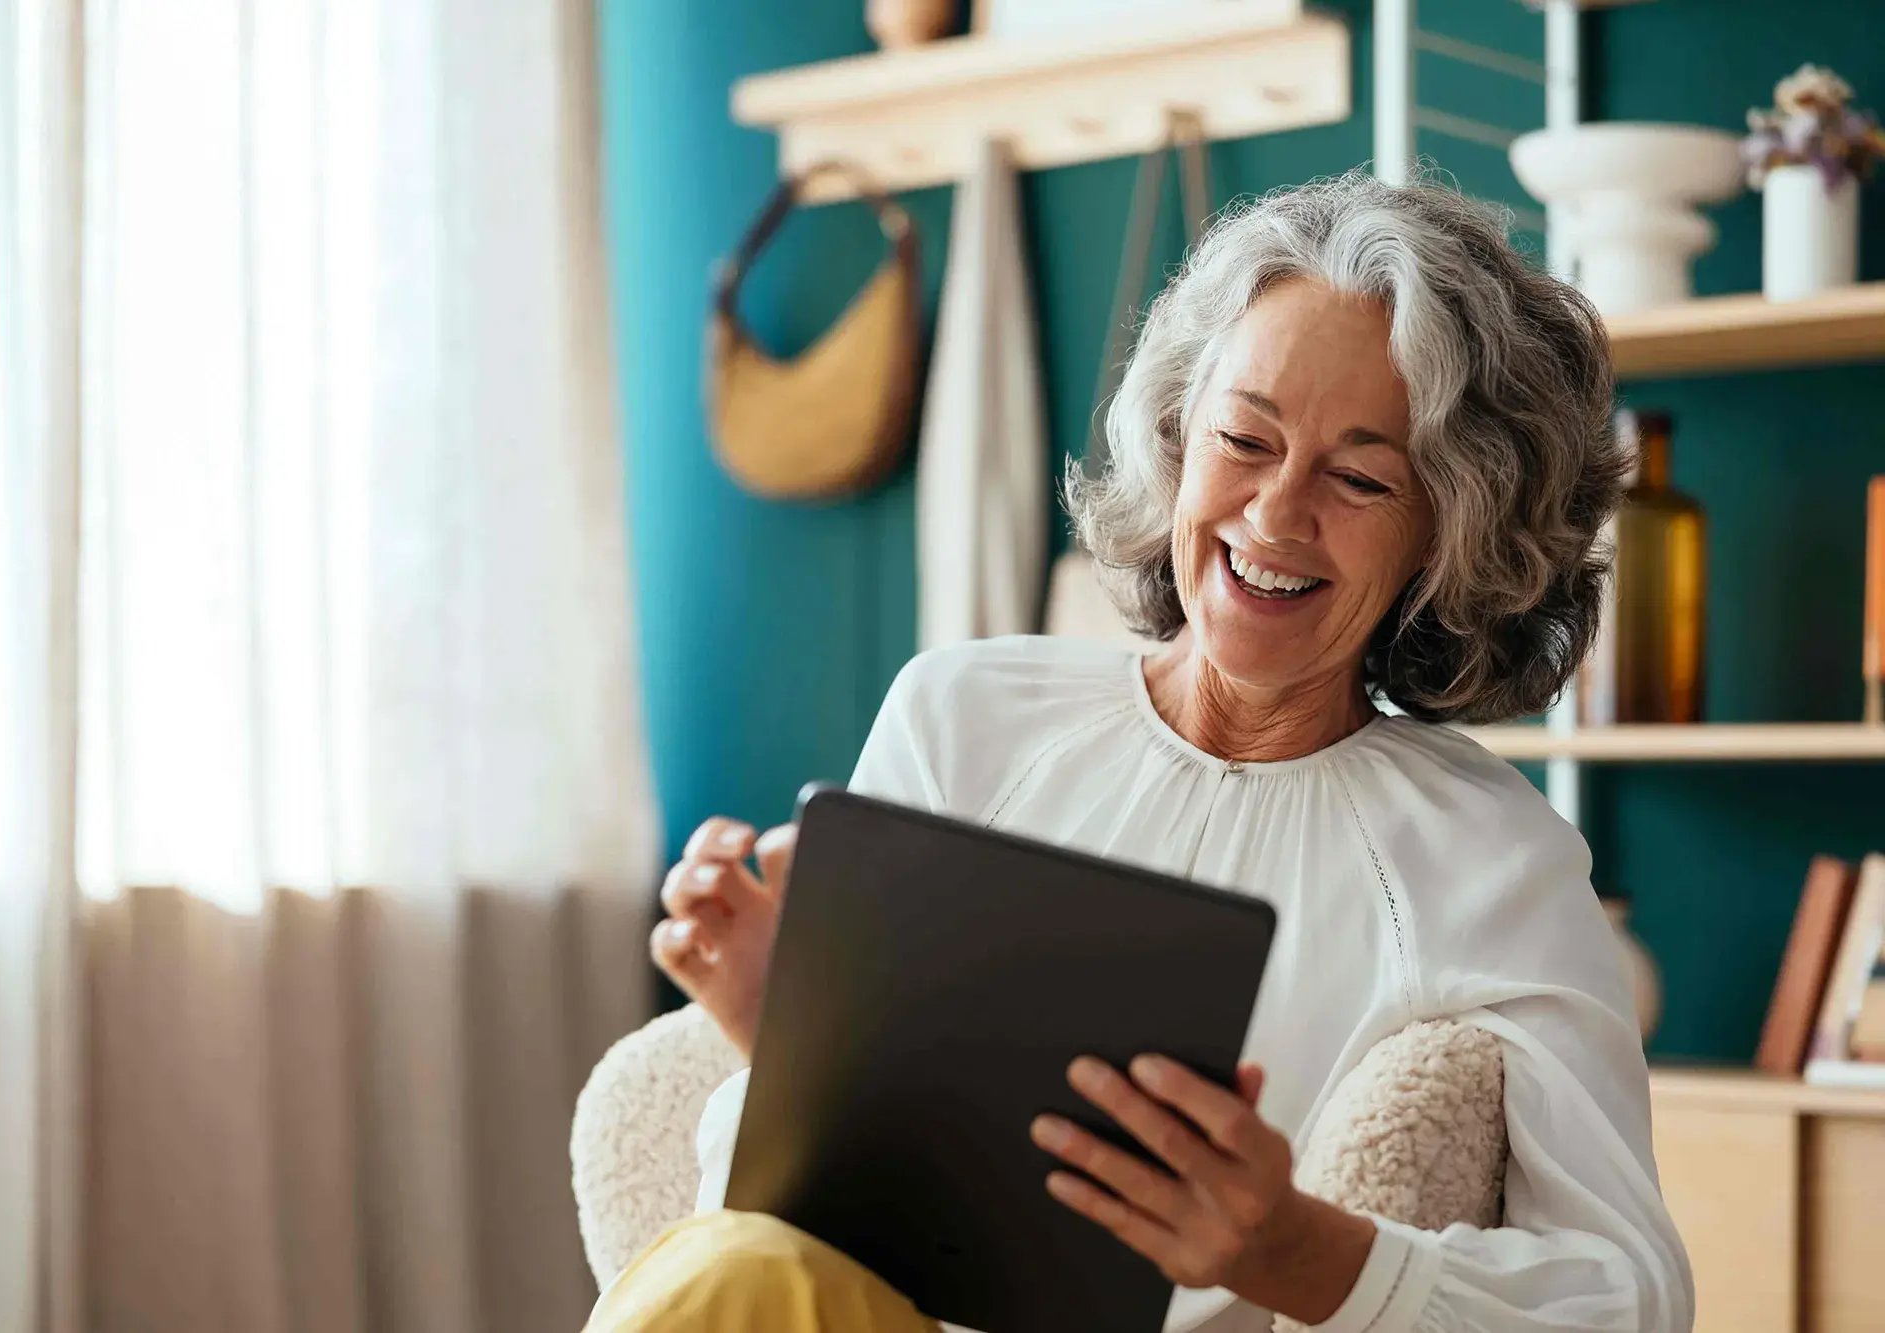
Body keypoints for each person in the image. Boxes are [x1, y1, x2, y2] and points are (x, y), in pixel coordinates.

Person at [594, 170, 1693, 1332]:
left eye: (1359, 477)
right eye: (1243, 438)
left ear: (1452, 528)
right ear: (1174, 436)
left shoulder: (1490, 860)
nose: (1272, 518)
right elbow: (787, 1255)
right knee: (733, 1269)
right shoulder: (962, 713)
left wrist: (1297, 1253)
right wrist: (787, 1046)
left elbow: (1631, 1301)